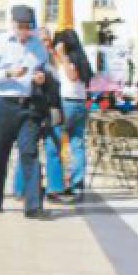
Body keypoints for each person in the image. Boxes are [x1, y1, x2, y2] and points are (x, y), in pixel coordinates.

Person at [0, 5, 49, 218]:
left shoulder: (38, 46)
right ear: (13, 24)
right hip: (3, 103)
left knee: (30, 153)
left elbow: (44, 69)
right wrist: (9, 73)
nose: (24, 31)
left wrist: (42, 78)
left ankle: (33, 205)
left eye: (28, 26)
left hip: (28, 105)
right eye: (21, 26)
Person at [44, 28, 93, 202]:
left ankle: (55, 186)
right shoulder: (81, 59)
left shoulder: (70, 60)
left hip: (67, 103)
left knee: (54, 142)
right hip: (80, 104)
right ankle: (76, 186)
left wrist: (62, 56)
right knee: (77, 144)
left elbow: (72, 77)